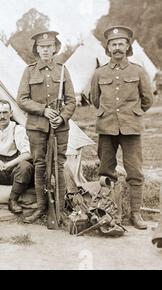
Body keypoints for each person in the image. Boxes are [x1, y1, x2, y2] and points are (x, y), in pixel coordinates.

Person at [90, 26, 153, 229]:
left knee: (134, 171)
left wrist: (132, 113)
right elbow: (95, 99)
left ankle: (136, 214)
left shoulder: (138, 71)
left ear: (127, 46)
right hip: (106, 127)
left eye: (120, 44)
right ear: (107, 48)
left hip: (131, 127)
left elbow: (147, 99)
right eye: (113, 44)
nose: (117, 48)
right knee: (106, 171)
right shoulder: (99, 73)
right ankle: (108, 212)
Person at [17, 31, 76, 224]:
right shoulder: (29, 71)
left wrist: (62, 117)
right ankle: (42, 208)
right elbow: (22, 99)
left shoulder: (63, 70)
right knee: (40, 166)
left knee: (58, 166)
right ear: (37, 49)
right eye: (42, 47)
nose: (45, 50)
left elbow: (71, 101)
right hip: (36, 127)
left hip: (59, 128)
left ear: (54, 48)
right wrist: (43, 110)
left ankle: (59, 210)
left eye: (49, 46)